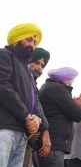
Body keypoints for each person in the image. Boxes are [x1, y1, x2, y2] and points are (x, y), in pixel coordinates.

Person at [0, 23, 48, 167]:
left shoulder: (26, 70)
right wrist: (27, 116)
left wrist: (37, 120)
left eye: (34, 42)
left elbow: (33, 100)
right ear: (17, 39)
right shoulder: (4, 55)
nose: (32, 45)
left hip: (22, 133)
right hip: (5, 128)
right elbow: (3, 87)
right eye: (28, 40)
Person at [37, 67, 81, 167]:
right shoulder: (57, 89)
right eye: (71, 79)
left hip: (52, 144)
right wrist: (80, 105)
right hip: (53, 146)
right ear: (65, 79)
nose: (72, 82)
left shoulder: (50, 87)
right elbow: (77, 115)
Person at [23, 47, 51, 167]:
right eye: (37, 62)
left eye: (43, 65)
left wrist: (41, 125)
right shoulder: (21, 79)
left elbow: (37, 106)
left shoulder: (33, 85)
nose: (40, 67)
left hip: (27, 140)